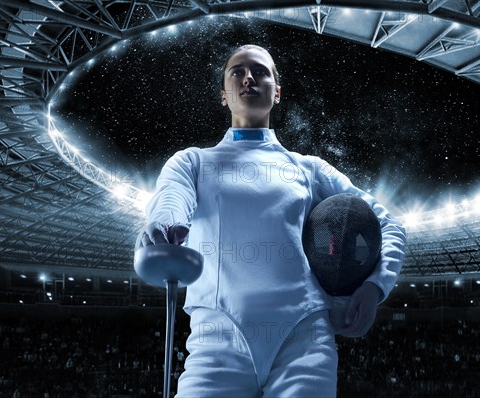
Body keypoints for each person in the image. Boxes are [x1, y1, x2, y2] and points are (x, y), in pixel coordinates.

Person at [136, 44, 406, 397]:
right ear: (223, 95)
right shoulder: (192, 163)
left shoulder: (308, 169)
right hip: (217, 340)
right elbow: (171, 199)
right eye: (238, 71)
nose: (249, 77)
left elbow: (388, 223)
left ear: (277, 93)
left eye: (261, 72)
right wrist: (165, 225)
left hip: (304, 341)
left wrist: (374, 287)